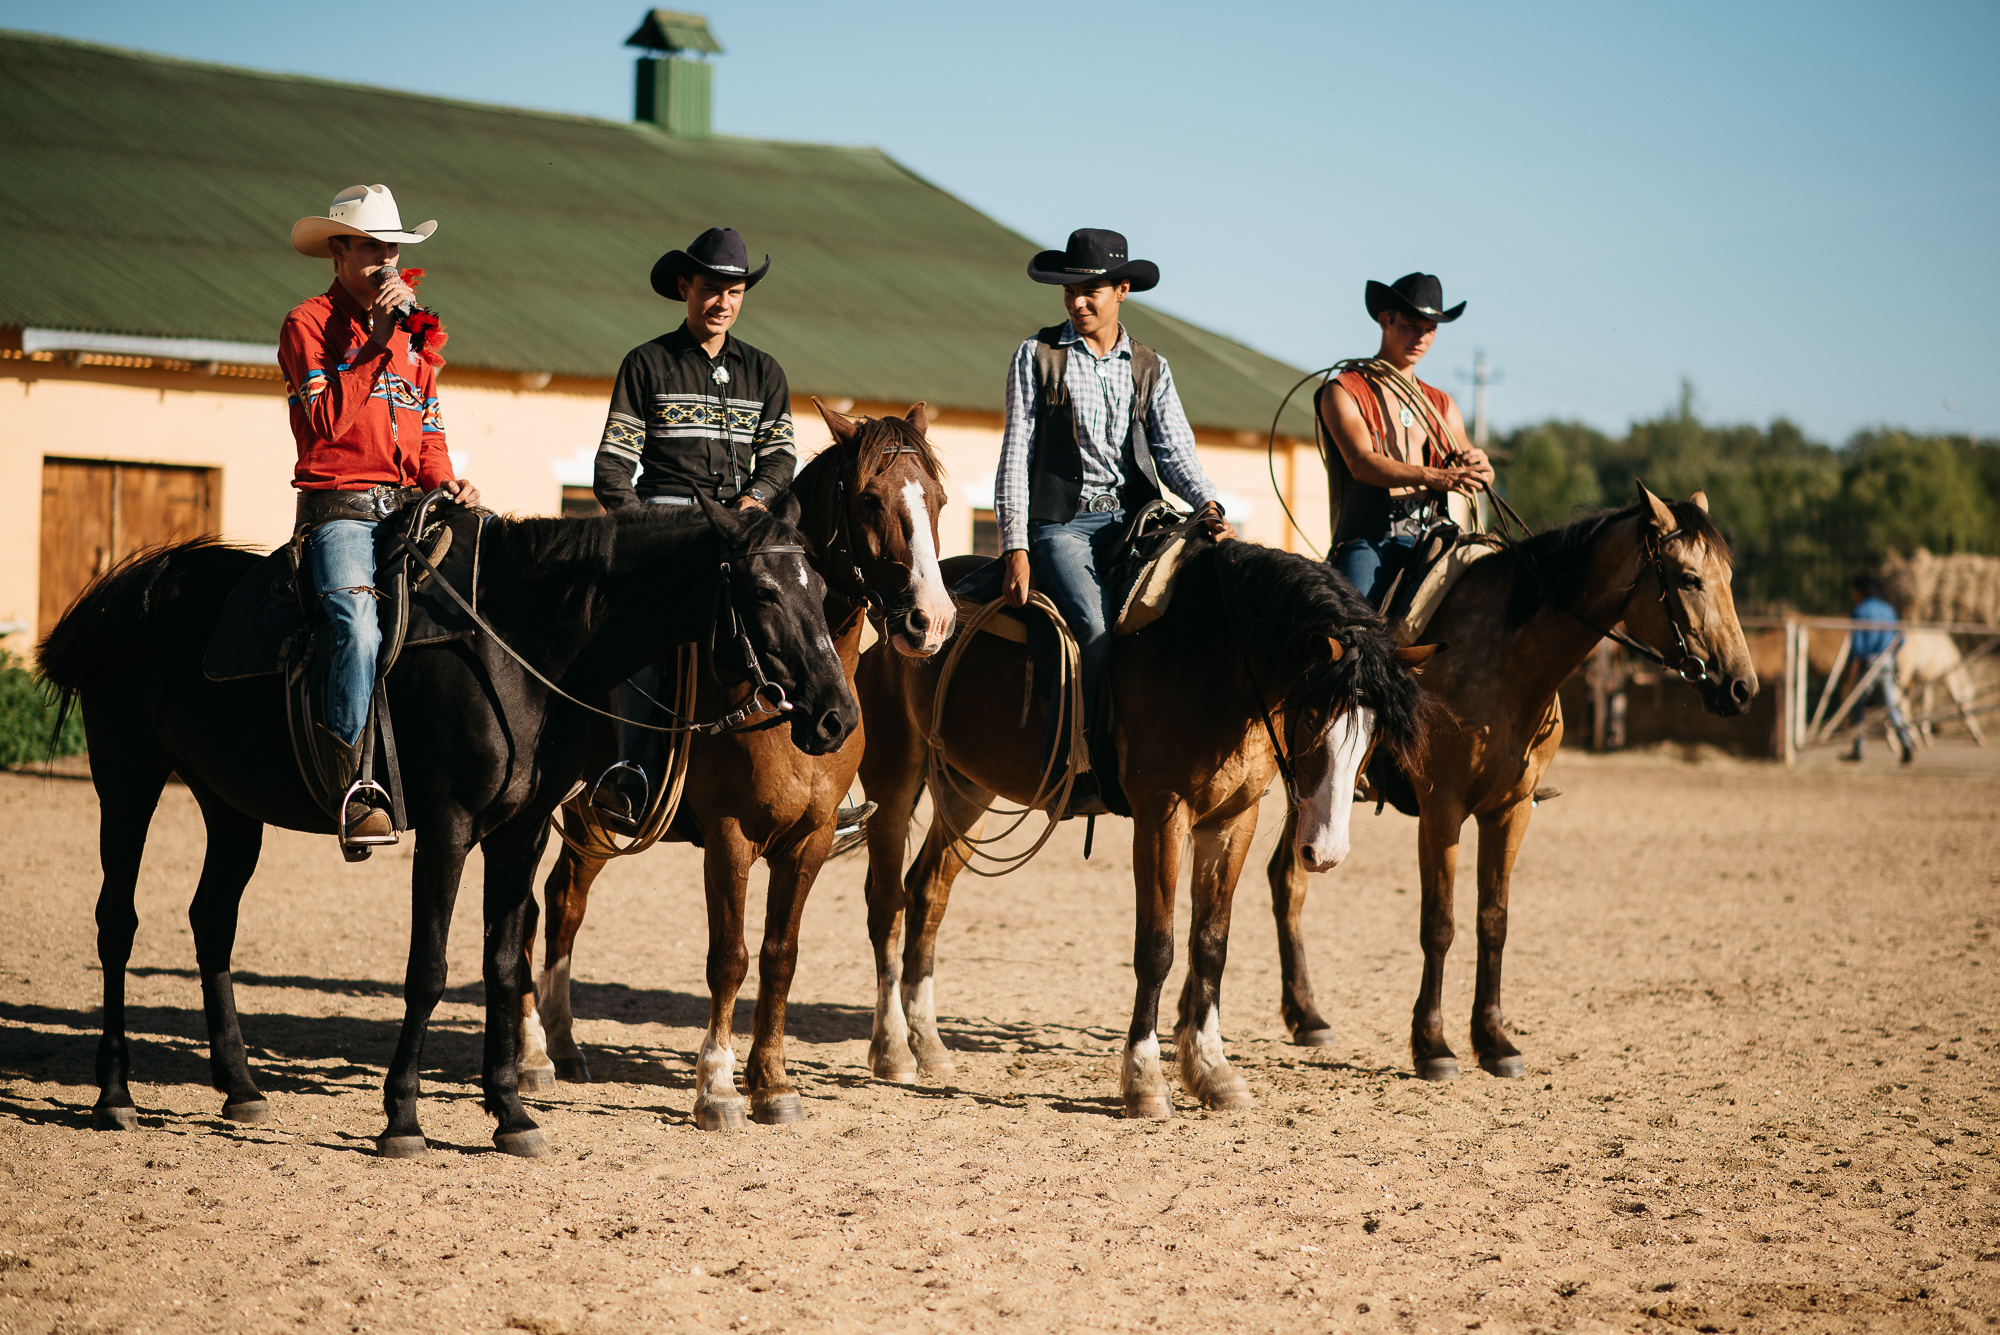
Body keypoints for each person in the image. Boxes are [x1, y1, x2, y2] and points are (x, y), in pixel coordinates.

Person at [994, 228, 1235, 814]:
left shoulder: (1151, 366)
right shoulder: (1037, 356)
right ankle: (1085, 765)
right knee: (1095, 627)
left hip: (1135, 522)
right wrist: (1016, 547)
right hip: (1062, 527)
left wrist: (1208, 505)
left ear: (1122, 291)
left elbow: (1175, 454)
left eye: (1092, 290)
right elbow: (1015, 457)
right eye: (1070, 290)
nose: (1079, 301)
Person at [284, 184, 480, 849]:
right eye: (371, 249)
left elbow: (427, 432)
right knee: (358, 628)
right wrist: (375, 343)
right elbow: (323, 423)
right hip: (337, 509)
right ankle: (352, 788)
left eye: (392, 249)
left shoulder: (420, 331)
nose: (385, 263)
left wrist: (450, 481)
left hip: (409, 507)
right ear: (338, 251)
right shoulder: (307, 324)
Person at [590, 226, 799, 830]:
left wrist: (756, 503)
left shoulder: (765, 372)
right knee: (638, 637)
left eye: (734, 292)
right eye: (711, 289)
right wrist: (641, 528)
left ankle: (813, 777)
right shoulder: (647, 364)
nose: (722, 303)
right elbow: (611, 468)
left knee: (802, 615)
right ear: (685, 287)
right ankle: (631, 773)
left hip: (739, 533)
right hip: (665, 528)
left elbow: (781, 460)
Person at [1318, 272, 1494, 607]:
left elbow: (1473, 468)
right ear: (1385, 319)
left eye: (1430, 330)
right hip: (1369, 540)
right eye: (1411, 325)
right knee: (1356, 630)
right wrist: (1437, 477)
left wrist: (1483, 471)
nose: (1421, 338)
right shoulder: (1344, 390)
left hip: (1433, 537)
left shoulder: (1441, 404)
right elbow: (1361, 463)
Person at [1842, 574, 1917, 764]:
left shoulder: (1860, 610)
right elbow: (1901, 639)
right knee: (1890, 704)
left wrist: (1852, 662)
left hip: (1868, 664)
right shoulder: (1888, 610)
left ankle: (1858, 748)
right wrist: (1890, 656)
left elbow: (1857, 643)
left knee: (1858, 704)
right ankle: (1906, 741)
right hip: (1886, 663)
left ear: (1860, 591)